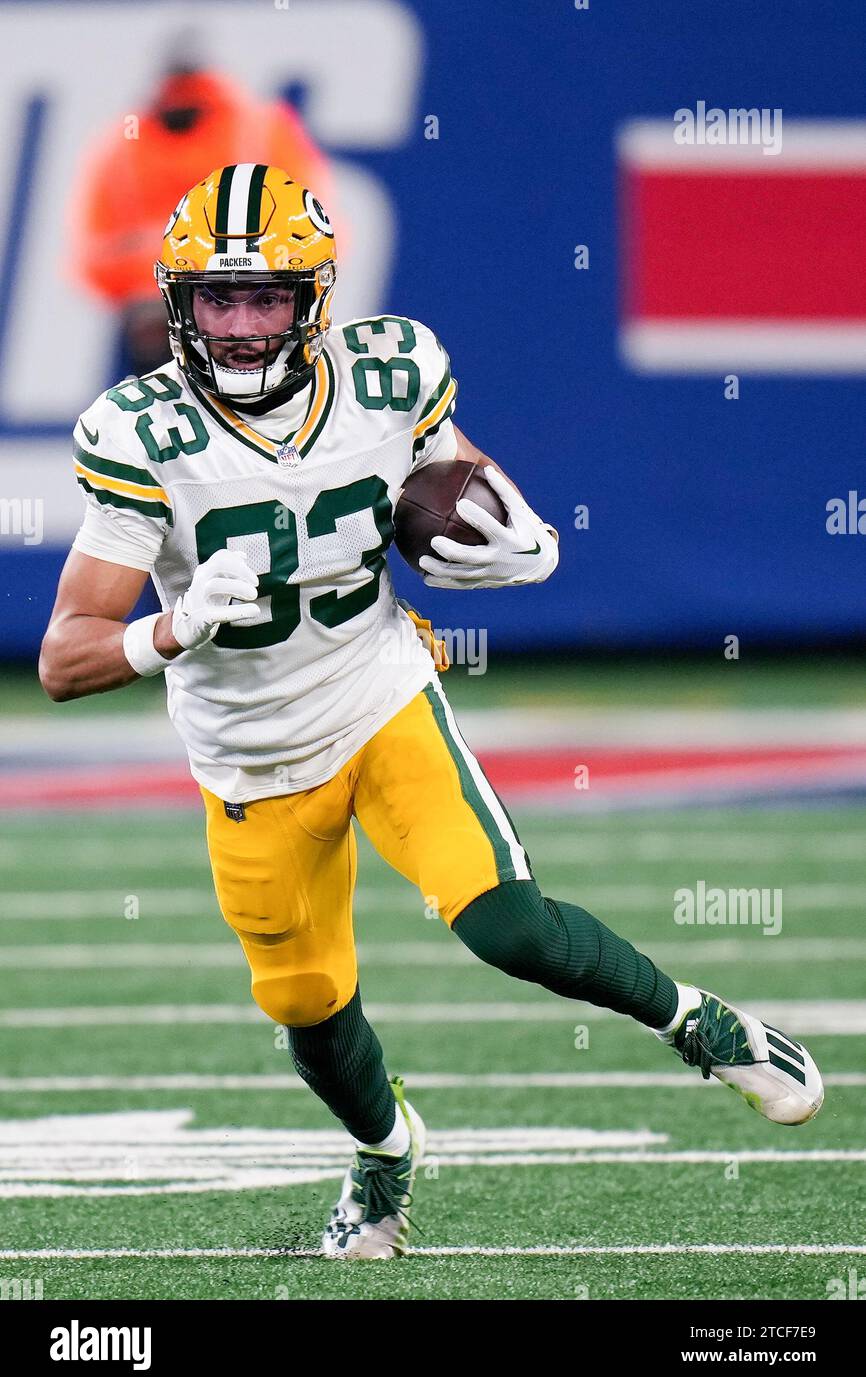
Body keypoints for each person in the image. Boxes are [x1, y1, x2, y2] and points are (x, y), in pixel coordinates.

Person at [40, 164, 823, 1260]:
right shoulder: (140, 433)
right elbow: (64, 659)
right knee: (308, 1009)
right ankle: (383, 1150)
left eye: (266, 298)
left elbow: (449, 474)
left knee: (507, 924)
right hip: (249, 756)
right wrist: (165, 631)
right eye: (214, 297)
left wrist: (521, 532)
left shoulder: (390, 371)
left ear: (314, 299)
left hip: (377, 692)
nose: (239, 324)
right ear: (177, 300)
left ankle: (698, 1021)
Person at [67, 67, 335, 377]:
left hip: (224, 288)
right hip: (152, 306)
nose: (236, 329)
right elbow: (93, 252)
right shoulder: (122, 148)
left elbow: (310, 228)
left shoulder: (259, 132)